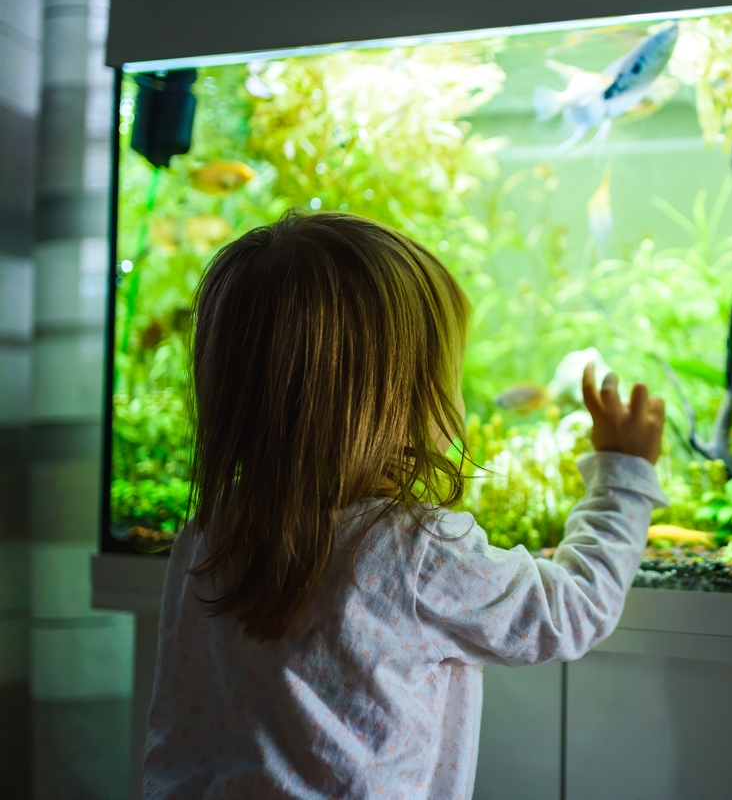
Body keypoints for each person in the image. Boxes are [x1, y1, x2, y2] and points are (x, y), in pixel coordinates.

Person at [143, 211, 667, 798]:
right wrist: (623, 476)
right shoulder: (412, 551)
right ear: (401, 395)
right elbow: (569, 613)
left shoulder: (208, 533)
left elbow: (179, 723)